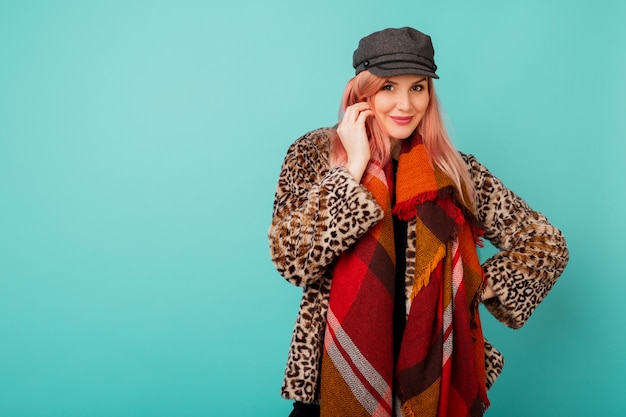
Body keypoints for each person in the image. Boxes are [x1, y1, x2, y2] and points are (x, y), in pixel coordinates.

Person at [268, 27, 568, 417]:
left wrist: (469, 287)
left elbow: (546, 244)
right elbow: (291, 259)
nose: (405, 104)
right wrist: (352, 169)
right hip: (333, 380)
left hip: (432, 378)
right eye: (389, 87)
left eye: (418, 87)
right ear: (362, 93)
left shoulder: (453, 172)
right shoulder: (316, 156)